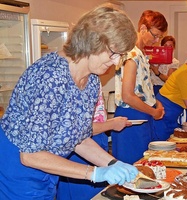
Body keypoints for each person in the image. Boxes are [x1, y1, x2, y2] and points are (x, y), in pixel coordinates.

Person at [0, 6, 139, 199]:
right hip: (17, 169)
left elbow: (77, 138)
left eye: (120, 56)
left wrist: (112, 163)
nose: (116, 63)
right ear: (93, 42)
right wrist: (94, 173)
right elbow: (30, 155)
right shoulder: (49, 77)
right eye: (113, 53)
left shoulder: (91, 80)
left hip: (47, 166)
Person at [112, 10, 167, 164]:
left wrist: (156, 102)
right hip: (131, 118)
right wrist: (153, 111)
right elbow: (128, 96)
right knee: (132, 170)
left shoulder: (141, 53)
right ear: (143, 28)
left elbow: (142, 88)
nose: (156, 40)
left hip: (142, 114)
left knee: (143, 167)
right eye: (155, 35)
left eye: (159, 37)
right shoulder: (131, 55)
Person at [56, 88, 131, 200]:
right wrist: (111, 125)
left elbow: (78, 133)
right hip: (81, 151)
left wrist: (114, 163)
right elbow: (75, 132)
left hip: (90, 144)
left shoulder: (91, 80)